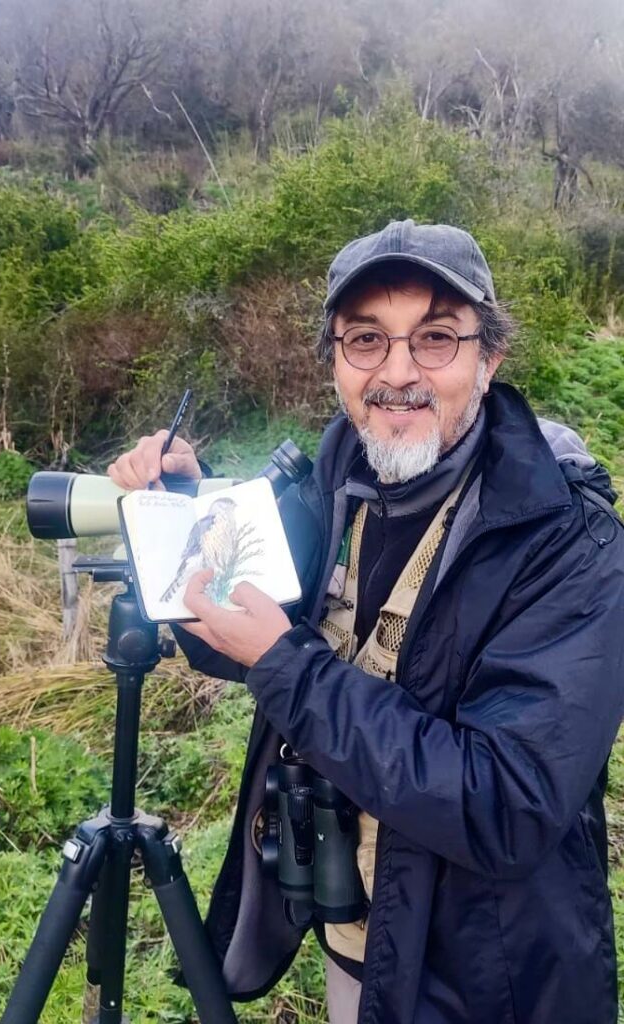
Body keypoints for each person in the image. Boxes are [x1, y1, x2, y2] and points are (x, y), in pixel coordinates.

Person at [107, 219, 624, 1024]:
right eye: (365, 341)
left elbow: (508, 805)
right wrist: (184, 521)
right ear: (335, 364)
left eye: (435, 339)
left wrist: (288, 665)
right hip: (363, 942)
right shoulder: (341, 473)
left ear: (488, 359)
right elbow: (248, 637)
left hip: (489, 983)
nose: (397, 374)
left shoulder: (565, 540)